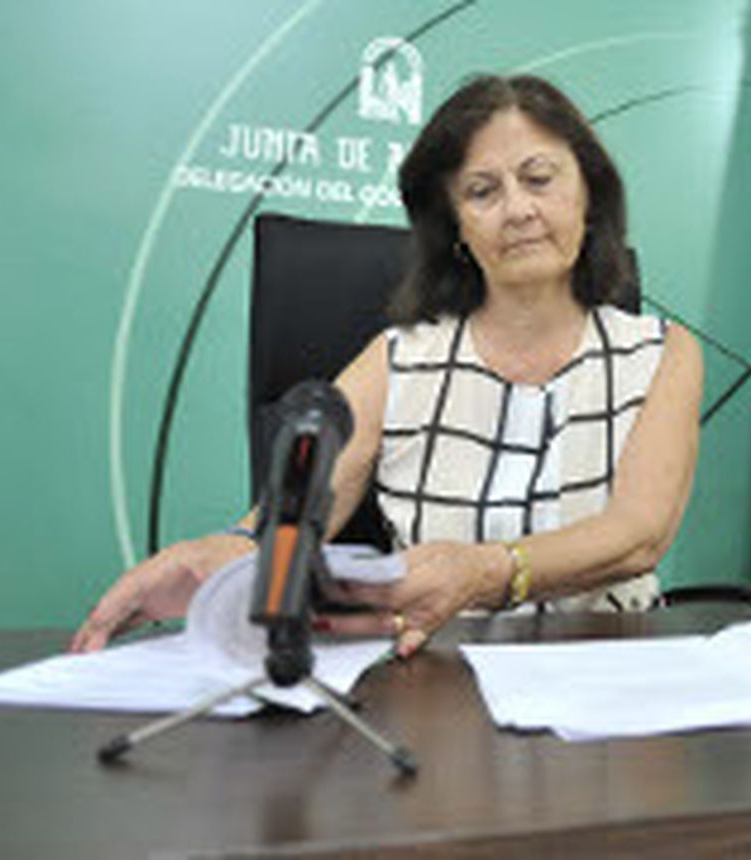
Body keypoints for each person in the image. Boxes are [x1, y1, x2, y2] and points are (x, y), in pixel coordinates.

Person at [72, 74, 703, 657]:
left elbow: (638, 533)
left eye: (540, 179)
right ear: (456, 225)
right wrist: (227, 557)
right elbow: (295, 517)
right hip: (435, 681)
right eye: (482, 191)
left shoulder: (661, 353)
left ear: (588, 198)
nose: (517, 209)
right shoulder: (399, 358)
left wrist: (485, 570)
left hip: (613, 669)